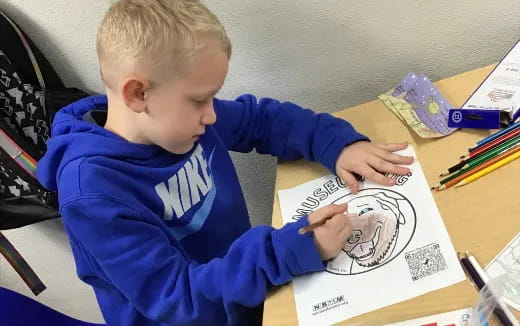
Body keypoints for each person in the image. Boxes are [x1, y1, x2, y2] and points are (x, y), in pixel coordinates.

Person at [36, 0, 413, 325]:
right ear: (138, 93)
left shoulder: (181, 122)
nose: (212, 115)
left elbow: (260, 120)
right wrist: (285, 252)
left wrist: (334, 144)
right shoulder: (93, 196)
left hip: (249, 287)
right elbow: (180, 299)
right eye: (200, 100)